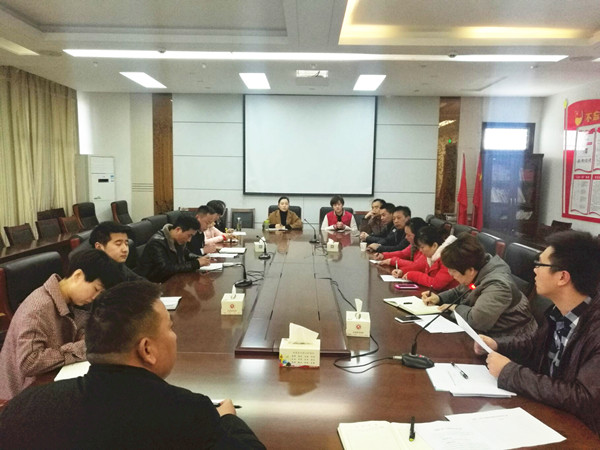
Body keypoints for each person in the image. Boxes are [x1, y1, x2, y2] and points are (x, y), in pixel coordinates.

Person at [0, 281, 266, 449]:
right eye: (170, 328)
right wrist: (229, 420)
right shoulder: (188, 412)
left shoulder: (26, 405)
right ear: (147, 350)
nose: (175, 336)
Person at [473, 231, 600, 435]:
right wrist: (497, 344)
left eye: (540, 264)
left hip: (581, 433)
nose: (534, 270)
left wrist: (510, 373)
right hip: (549, 415)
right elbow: (534, 345)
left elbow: (583, 398)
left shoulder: (595, 329)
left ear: (562, 277)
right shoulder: (559, 311)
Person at [0, 249, 124, 400]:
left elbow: (81, 329)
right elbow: (29, 362)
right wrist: (81, 348)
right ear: (78, 275)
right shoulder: (38, 309)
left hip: (54, 378)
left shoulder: (73, 300)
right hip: (21, 396)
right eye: (96, 289)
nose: (95, 297)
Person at [422, 233, 536, 338]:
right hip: (488, 332)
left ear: (470, 270)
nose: (450, 275)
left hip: (510, 339)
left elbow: (476, 321)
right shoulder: (478, 268)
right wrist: (439, 298)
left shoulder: (498, 286)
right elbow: (459, 291)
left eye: (454, 271)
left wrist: (454, 308)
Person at [137, 215, 209, 283]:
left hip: (174, 280)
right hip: (155, 283)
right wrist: (196, 263)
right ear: (178, 230)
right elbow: (166, 269)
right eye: (189, 235)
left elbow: (187, 254)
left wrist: (200, 258)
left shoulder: (178, 240)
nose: (189, 240)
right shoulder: (157, 242)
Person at [396, 225, 458, 291]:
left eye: (422, 247)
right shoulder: (431, 256)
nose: (420, 250)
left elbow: (436, 284)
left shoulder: (448, 259)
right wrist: (402, 271)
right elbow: (419, 266)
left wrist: (412, 275)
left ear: (434, 245)